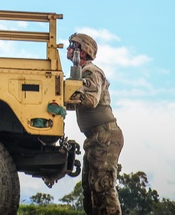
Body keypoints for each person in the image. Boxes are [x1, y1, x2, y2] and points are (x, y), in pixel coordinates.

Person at [66, 33, 123, 215]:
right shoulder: (81, 72)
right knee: (90, 190)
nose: (68, 48)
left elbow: (90, 99)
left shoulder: (91, 71)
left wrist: (66, 94)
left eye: (72, 45)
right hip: (96, 137)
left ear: (82, 52)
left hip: (104, 136)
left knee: (102, 187)